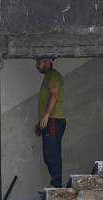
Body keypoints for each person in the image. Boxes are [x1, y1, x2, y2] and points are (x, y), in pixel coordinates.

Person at [35, 56, 66, 188]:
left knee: (52, 153)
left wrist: (47, 116)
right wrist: (41, 122)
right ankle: (56, 183)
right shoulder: (49, 76)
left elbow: (54, 95)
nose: (37, 65)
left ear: (48, 62)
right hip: (50, 121)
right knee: (48, 154)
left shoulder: (53, 76)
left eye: (39, 62)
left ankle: (57, 185)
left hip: (54, 120)